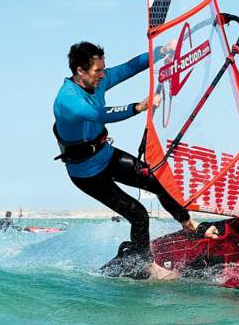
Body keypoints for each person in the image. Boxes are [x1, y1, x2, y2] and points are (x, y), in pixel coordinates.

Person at [53, 41, 217, 279]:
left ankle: (188, 225)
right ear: (80, 71)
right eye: (97, 71)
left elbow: (130, 67)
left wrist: (162, 51)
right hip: (86, 173)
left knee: (157, 179)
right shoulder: (67, 100)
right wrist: (138, 107)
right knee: (138, 213)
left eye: (103, 69)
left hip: (106, 155)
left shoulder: (99, 80)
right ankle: (144, 265)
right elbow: (98, 114)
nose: (103, 74)